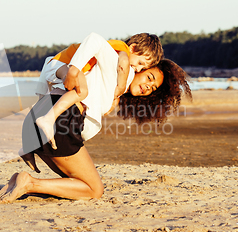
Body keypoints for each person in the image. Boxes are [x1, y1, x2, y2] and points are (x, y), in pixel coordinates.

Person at [0, 35, 191, 204]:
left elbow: (51, 71)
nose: (149, 87)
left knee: (76, 182)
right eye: (149, 77)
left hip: (38, 118)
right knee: (94, 190)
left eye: (153, 88)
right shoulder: (118, 65)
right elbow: (95, 40)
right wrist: (74, 68)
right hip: (60, 121)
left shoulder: (109, 83)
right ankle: (28, 183)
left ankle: (20, 180)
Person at [35, 33, 163, 149]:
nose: (138, 69)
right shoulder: (121, 50)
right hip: (65, 64)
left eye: (142, 68)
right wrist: (121, 85)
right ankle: (48, 119)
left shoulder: (119, 59)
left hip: (59, 67)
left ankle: (33, 141)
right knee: (82, 91)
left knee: (78, 91)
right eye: (140, 63)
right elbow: (101, 44)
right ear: (133, 48)